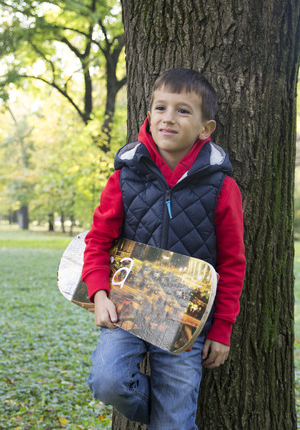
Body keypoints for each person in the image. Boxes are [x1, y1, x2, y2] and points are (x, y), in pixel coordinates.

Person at [82, 68, 246, 429]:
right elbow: (97, 240)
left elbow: (233, 264)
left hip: (186, 321)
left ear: (206, 128)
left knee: (175, 420)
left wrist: (221, 329)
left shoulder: (221, 187)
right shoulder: (126, 175)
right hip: (128, 310)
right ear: (149, 114)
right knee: (107, 381)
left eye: (183, 110)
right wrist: (99, 294)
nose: (168, 118)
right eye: (160, 107)